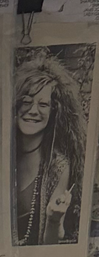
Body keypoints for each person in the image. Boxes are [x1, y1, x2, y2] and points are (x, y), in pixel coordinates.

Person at [11, 49, 84, 246]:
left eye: (43, 104)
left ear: (54, 112)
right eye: (26, 101)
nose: (33, 111)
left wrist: (53, 220)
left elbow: (48, 244)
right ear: (15, 106)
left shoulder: (58, 167)